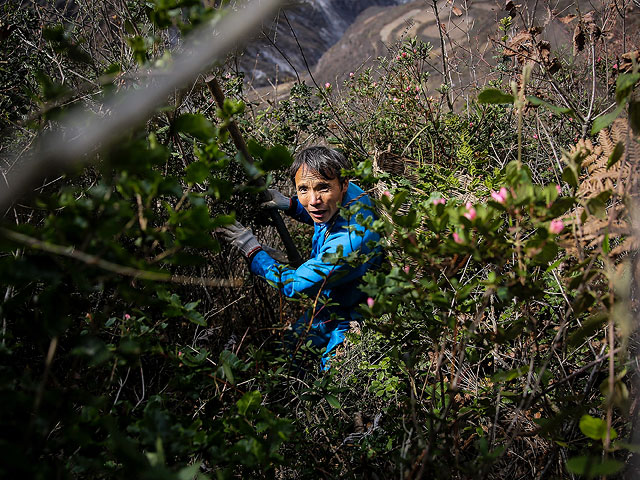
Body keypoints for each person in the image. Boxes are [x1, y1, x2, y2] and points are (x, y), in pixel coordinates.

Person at [217, 146, 381, 370]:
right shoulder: (350, 193)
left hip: (354, 313)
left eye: (323, 188)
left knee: (334, 375)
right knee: (286, 351)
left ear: (343, 185)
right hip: (331, 303)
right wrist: (292, 204)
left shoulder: (348, 244)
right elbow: (322, 216)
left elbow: (296, 284)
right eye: (303, 189)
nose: (313, 200)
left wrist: (252, 250)